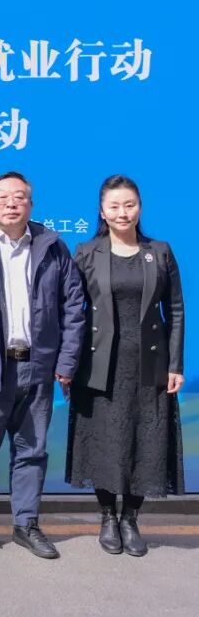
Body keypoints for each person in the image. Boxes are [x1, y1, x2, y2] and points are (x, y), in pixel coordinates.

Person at [0, 171, 84, 559]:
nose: (11, 203)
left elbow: (74, 307)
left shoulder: (53, 247)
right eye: (3, 197)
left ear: (31, 205)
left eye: (19, 197)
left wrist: (66, 360)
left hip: (37, 367)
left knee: (32, 451)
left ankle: (26, 524)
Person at [66, 175, 185, 556]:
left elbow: (176, 310)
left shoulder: (159, 252)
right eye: (114, 206)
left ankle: (131, 518)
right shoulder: (87, 252)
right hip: (99, 364)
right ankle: (107, 516)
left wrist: (175, 364)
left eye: (129, 204)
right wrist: (68, 363)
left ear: (140, 208)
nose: (122, 212)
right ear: (102, 211)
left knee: (145, 440)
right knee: (106, 441)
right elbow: (71, 311)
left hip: (149, 363)